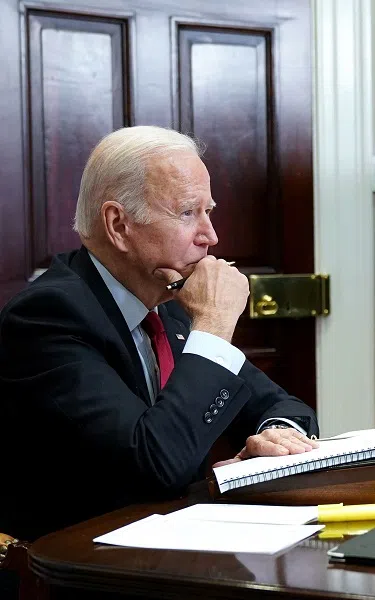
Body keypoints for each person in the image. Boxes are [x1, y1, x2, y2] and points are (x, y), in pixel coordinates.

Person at [0, 126, 319, 541]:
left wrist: (277, 440)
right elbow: (154, 465)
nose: (210, 236)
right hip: (79, 566)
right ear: (118, 225)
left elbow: (286, 407)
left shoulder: (168, 301)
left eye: (209, 211)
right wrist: (215, 325)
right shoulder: (47, 317)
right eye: (188, 213)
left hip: (168, 550)